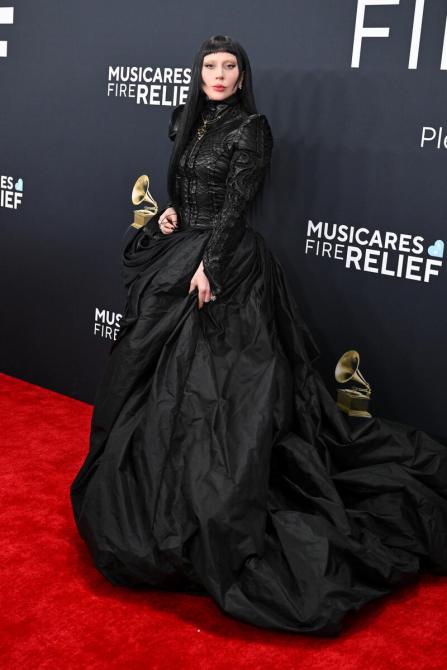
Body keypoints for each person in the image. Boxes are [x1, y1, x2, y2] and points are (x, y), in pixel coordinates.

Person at [70, 34, 447, 636]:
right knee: (152, 382)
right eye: (210, 66)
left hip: (224, 267)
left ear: (243, 77)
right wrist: (169, 215)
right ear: (198, 74)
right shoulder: (185, 121)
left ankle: (211, 503)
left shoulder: (251, 130)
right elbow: (189, 191)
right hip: (182, 249)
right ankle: (152, 492)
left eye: (229, 67)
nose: (219, 75)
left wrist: (210, 267)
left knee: (219, 396)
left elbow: (235, 207)